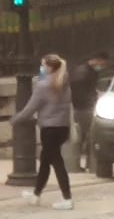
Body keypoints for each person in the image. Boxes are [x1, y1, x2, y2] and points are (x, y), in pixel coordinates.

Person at [10, 53, 74, 209]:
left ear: (50, 67)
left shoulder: (44, 86)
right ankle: (36, 194)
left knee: (57, 163)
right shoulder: (64, 83)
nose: (42, 68)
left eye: (43, 65)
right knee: (45, 161)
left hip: (49, 129)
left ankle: (67, 198)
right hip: (62, 128)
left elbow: (30, 108)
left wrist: (15, 119)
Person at [68, 49, 106, 168]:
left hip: (84, 107)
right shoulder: (83, 73)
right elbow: (80, 93)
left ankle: (84, 163)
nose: (103, 66)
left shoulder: (89, 71)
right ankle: (85, 163)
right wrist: (90, 103)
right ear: (98, 60)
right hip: (83, 109)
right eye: (103, 63)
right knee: (88, 135)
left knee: (85, 136)